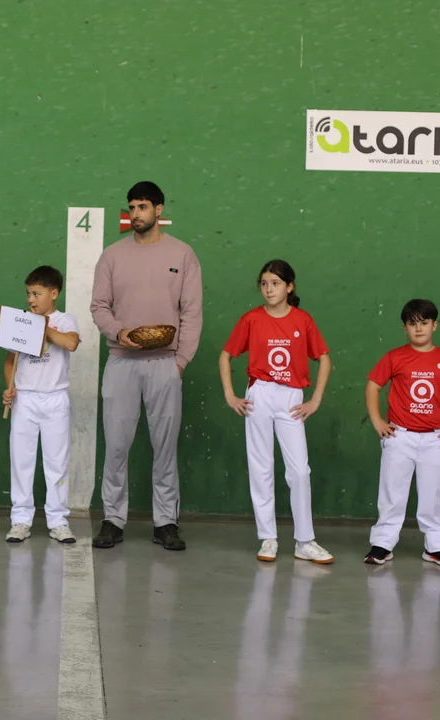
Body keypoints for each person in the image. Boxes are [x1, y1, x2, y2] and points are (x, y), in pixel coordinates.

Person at [90, 181, 203, 551]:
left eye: (142, 207)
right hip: (121, 364)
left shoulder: (183, 255)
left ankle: (166, 521)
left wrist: (180, 362)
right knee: (116, 446)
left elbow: (191, 313)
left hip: (165, 364)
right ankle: (112, 519)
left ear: (159, 209)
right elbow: (98, 306)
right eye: (132, 207)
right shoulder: (112, 255)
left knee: (165, 448)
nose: (135, 214)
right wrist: (118, 332)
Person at [219, 259, 335, 564]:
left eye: (275, 283)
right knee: (261, 466)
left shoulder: (303, 320)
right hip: (259, 394)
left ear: (289, 287)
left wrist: (315, 400)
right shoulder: (251, 319)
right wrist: (230, 395)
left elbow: (324, 359)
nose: (268, 289)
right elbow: (226, 355)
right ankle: (267, 538)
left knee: (299, 471)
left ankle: (304, 541)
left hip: (291, 398)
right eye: (264, 284)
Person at [364, 299, 440, 567]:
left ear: (435, 325)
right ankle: (382, 544)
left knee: (432, 496)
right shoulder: (394, 357)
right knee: (392, 493)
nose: (419, 328)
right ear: (404, 328)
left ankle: (436, 546)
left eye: (424, 323)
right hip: (399, 437)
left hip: (436, 439)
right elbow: (373, 385)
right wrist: (377, 421)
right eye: (412, 324)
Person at [2, 265, 81, 544]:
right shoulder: (21, 321)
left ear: (54, 293)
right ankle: (20, 520)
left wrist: (44, 328)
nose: (31, 300)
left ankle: (58, 521)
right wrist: (10, 387)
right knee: (21, 461)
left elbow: (71, 343)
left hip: (55, 400)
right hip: (24, 399)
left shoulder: (65, 320)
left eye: (36, 294)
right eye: (28, 294)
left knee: (56, 463)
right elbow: (10, 361)